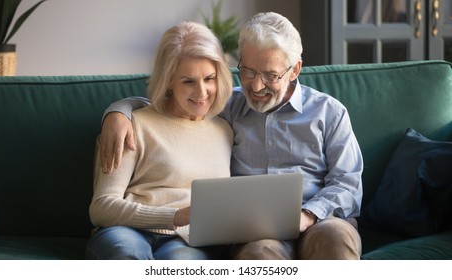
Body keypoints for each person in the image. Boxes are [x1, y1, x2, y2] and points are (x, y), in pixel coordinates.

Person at [100, 12, 364, 260]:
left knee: (337, 236)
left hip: (320, 219)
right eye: (248, 71)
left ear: (294, 70)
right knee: (260, 254)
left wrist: (307, 215)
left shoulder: (329, 112)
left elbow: (348, 184)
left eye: (270, 75)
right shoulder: (227, 107)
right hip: (256, 230)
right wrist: (120, 111)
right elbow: (170, 105)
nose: (257, 86)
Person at [86, 21, 233, 260]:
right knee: (127, 253)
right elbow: (101, 207)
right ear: (168, 81)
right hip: (126, 230)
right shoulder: (131, 124)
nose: (202, 92)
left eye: (209, 78)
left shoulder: (226, 130)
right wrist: (174, 217)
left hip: (188, 240)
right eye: (188, 81)